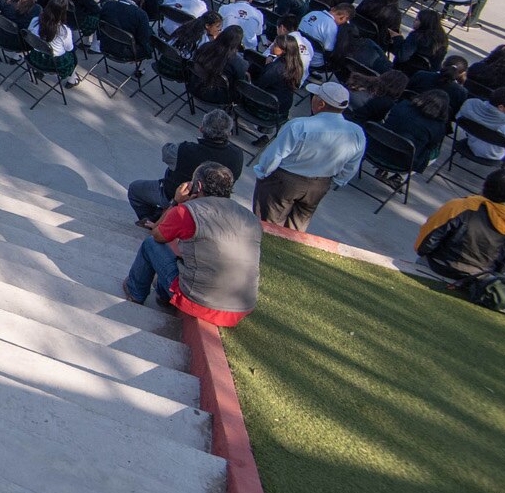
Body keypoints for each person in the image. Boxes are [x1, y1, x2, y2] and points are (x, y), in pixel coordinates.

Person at [121, 162, 262, 327]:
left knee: (151, 245)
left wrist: (176, 202)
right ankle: (163, 295)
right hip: (241, 307)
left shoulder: (187, 211)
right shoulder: (250, 218)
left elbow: (157, 235)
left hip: (202, 303)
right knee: (183, 250)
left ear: (198, 186)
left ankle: (135, 292)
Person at [250, 81, 365, 232]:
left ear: (320, 103)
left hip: (284, 181)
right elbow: (351, 165)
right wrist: (337, 180)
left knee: (267, 225)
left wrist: (263, 173)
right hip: (319, 184)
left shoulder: (299, 125)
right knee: (296, 230)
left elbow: (274, 154)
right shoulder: (356, 132)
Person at [126, 109, 244, 227]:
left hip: (175, 195)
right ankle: (159, 218)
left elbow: (166, 152)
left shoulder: (185, 150)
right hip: (213, 204)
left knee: (135, 189)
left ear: (201, 129)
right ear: (229, 134)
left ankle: (155, 220)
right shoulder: (238, 155)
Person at [415, 170, 505, 282]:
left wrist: (424, 253)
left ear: (485, 184)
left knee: (420, 261)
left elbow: (429, 238)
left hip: (440, 266)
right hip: (479, 276)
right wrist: (493, 271)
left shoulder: (459, 206)